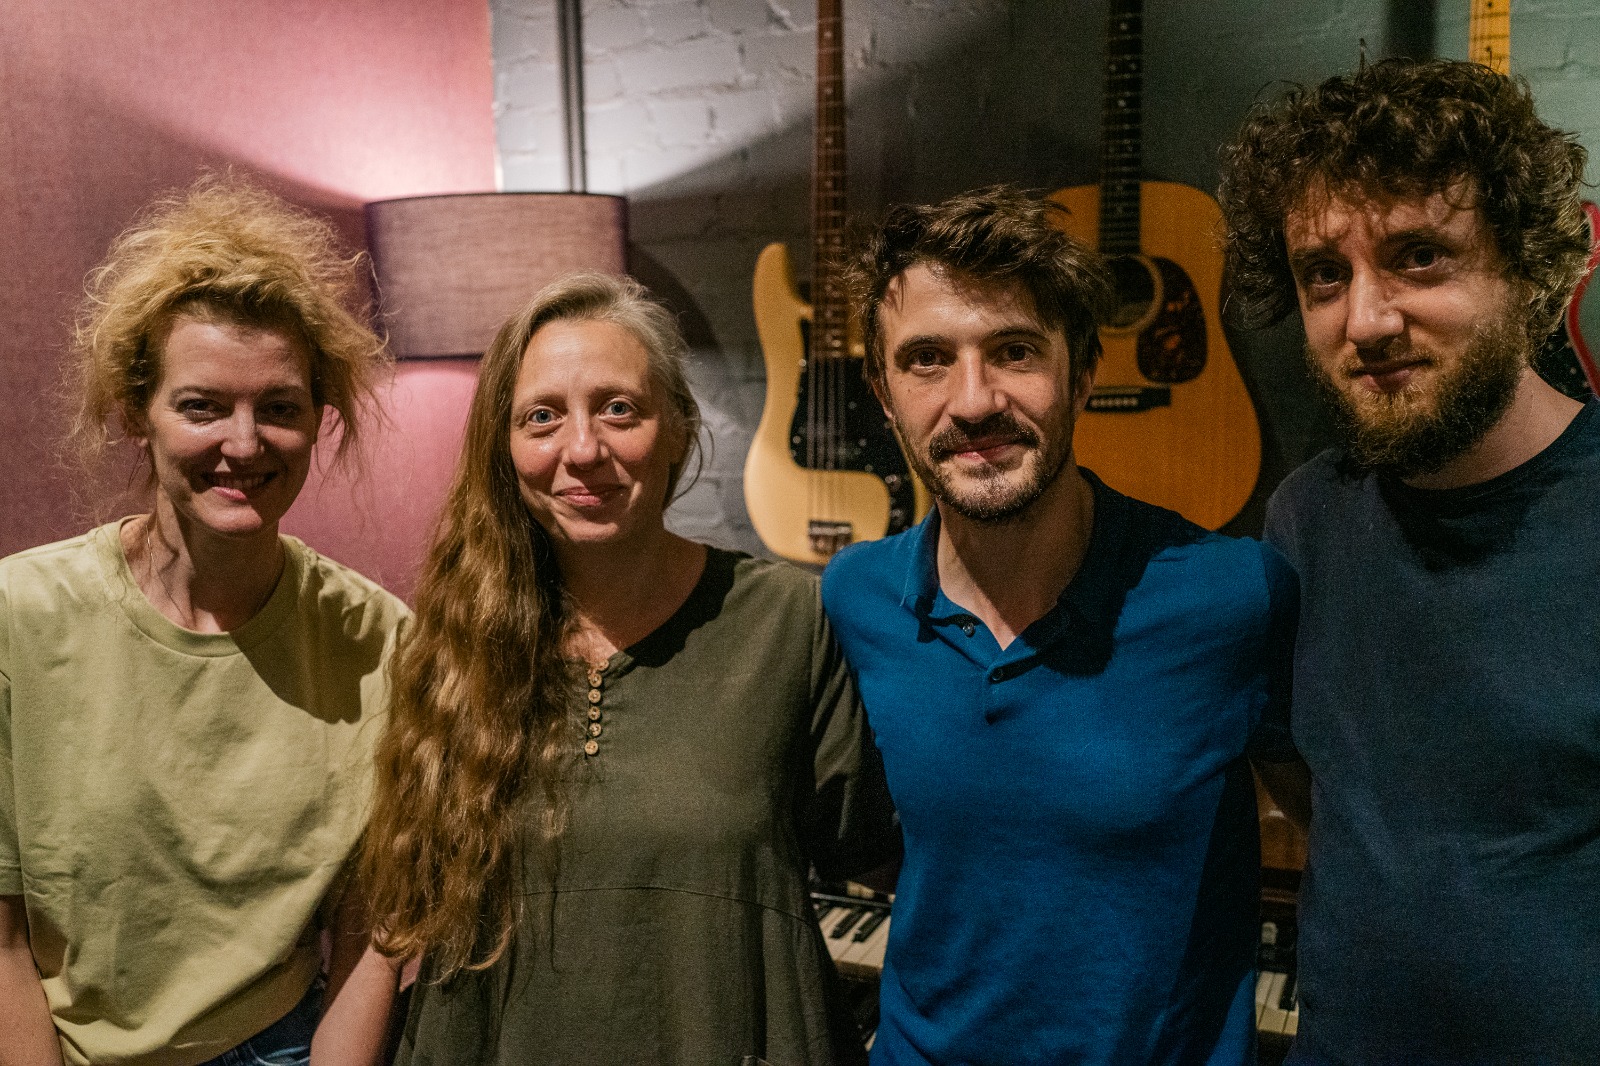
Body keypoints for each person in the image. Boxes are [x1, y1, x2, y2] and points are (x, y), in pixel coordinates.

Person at [358, 271, 899, 1066]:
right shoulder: (451, 644)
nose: (582, 450)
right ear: (503, 449)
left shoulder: (790, 623)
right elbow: (391, 922)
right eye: (541, 417)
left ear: (678, 428)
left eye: (619, 408)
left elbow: (894, 862)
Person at [821, 186, 1297, 1065]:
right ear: (884, 396)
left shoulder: (1236, 596)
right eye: (927, 360)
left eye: (1014, 351)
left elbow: (1346, 840)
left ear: (1081, 374)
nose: (973, 401)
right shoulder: (854, 598)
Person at [1216, 58, 1597, 1062]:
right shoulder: (1303, 518)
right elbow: (1315, 785)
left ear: (1524, 265)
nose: (1366, 320)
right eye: (1323, 274)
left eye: (1419, 257)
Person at [0, 177, 408, 1066]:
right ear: (134, 413)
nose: (245, 442)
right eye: (202, 406)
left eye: (280, 408)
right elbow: (2, 944)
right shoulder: (18, 618)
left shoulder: (377, 639)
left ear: (318, 420)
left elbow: (370, 930)